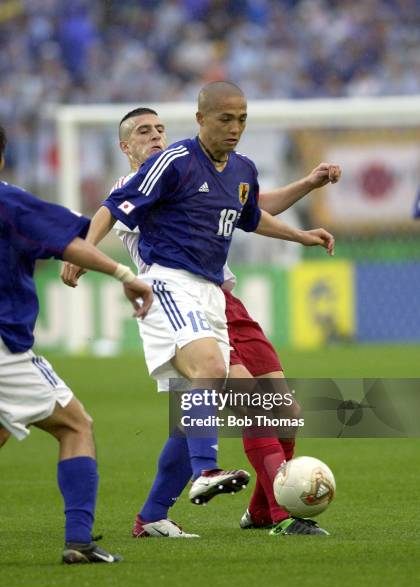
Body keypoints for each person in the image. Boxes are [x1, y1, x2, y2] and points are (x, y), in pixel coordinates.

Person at [61, 82, 336, 537]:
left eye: (158, 129)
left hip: (218, 296)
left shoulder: (210, 168)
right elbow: (113, 208)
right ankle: (241, 490)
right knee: (238, 393)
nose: (154, 137)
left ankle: (157, 515)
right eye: (143, 131)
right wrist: (82, 251)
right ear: (124, 146)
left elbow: (246, 205)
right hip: (172, 288)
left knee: (271, 409)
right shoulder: (157, 172)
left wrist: (302, 220)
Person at [0, 124, 153, 562]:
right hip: (4, 345)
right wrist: (124, 274)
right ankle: (80, 542)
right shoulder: (8, 201)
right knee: (75, 424)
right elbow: (68, 242)